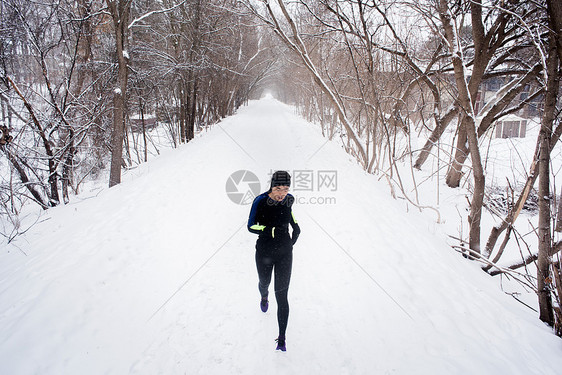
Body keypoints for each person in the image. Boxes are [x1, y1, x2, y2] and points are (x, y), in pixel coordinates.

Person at [247, 170, 301, 351]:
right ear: (272, 186)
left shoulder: (289, 199)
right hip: (264, 252)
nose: (282, 193)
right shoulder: (260, 201)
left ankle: (282, 337)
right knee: (265, 282)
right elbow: (250, 226)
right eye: (278, 188)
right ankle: (263, 295)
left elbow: (289, 214)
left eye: (285, 189)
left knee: (282, 295)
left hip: (285, 253)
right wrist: (269, 230)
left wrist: (296, 227)